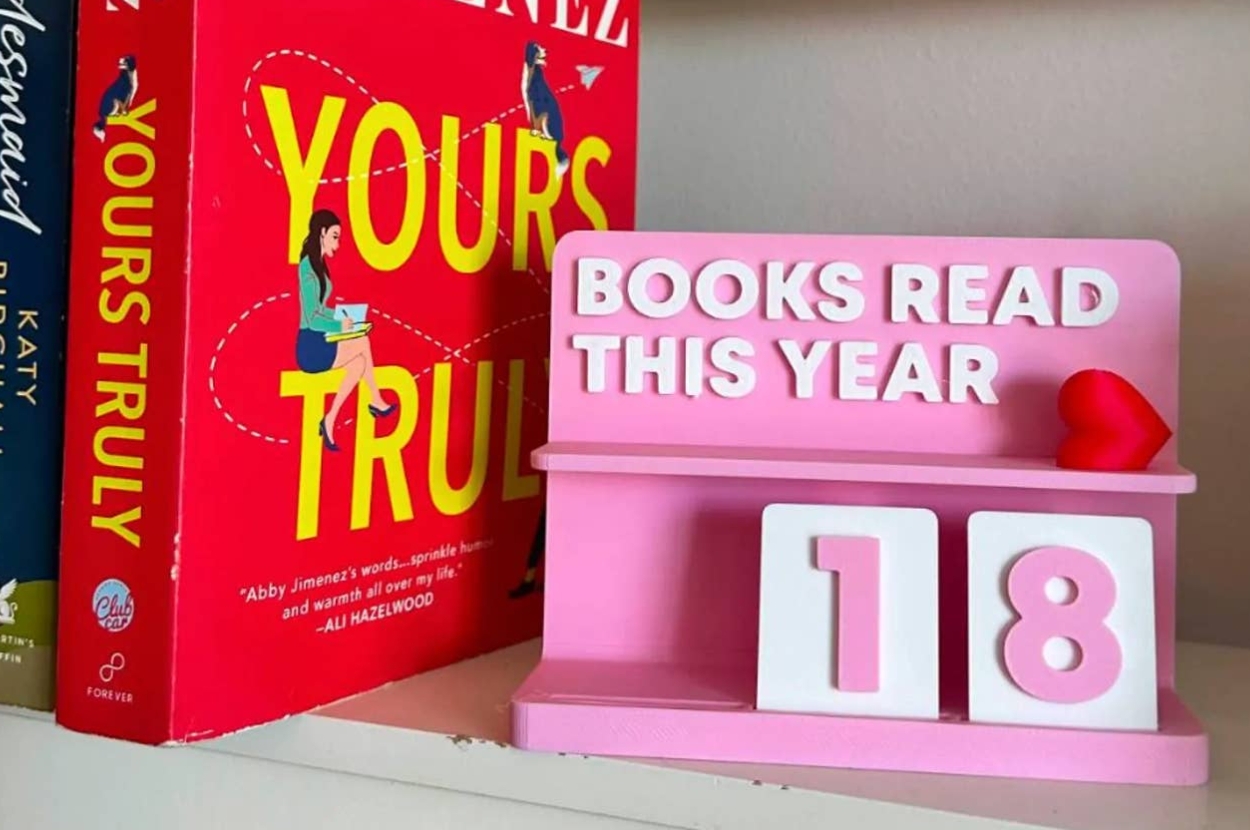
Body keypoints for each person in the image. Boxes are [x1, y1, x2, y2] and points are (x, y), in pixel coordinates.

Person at [295, 209, 395, 452]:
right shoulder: (307, 269)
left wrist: (345, 316)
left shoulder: (319, 265)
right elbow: (312, 318)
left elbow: (322, 309)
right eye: (335, 237)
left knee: (359, 364)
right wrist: (340, 324)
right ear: (322, 233)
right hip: (310, 346)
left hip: (322, 338)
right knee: (362, 344)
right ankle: (375, 400)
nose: (338, 244)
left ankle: (330, 420)